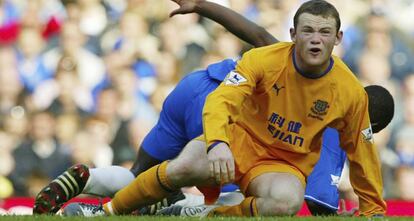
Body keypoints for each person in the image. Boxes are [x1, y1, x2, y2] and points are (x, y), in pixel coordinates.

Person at [35, 0, 392, 217]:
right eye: (309, 31)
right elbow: (320, 202)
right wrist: (219, 139)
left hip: (196, 87)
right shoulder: (337, 104)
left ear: (338, 38)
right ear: (295, 33)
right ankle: (181, 210)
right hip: (226, 121)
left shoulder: (327, 80)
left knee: (156, 171)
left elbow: (255, 33)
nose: (316, 39)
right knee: (236, 193)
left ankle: (97, 183)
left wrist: (204, 7)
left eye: (324, 33)